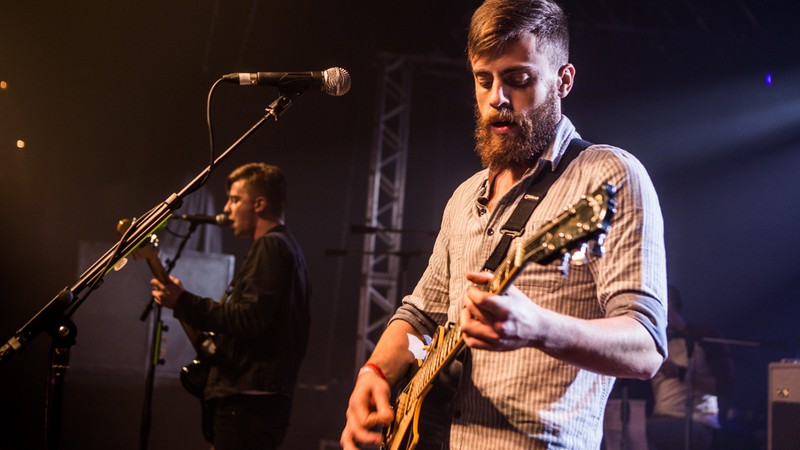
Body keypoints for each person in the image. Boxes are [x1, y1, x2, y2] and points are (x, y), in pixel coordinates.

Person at [340, 0, 668, 449]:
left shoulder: (608, 175)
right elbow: (421, 316)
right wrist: (374, 373)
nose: (497, 98)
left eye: (518, 80)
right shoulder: (464, 197)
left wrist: (537, 327)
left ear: (563, 81)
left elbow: (646, 345)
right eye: (484, 80)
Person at [151, 162, 310, 450]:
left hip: (248, 402)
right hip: (257, 399)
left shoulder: (271, 247)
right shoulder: (286, 249)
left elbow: (248, 318)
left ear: (259, 204)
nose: (227, 208)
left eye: (236, 200)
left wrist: (183, 301)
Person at [647, 286, 734, 450]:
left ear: (668, 305)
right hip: (660, 419)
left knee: (642, 433)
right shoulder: (657, 341)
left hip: (698, 422)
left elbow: (725, 387)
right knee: (621, 430)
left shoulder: (704, 337)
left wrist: (681, 373)